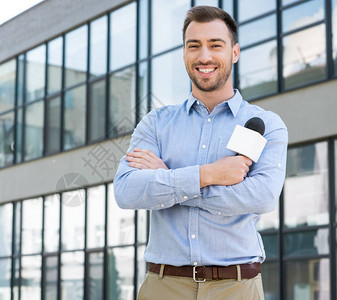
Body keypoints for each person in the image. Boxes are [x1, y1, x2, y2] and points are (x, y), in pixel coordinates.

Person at [113, 5, 288, 300]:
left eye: (215, 45)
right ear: (184, 54)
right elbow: (127, 191)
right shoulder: (156, 123)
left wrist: (168, 178)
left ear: (234, 53)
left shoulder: (265, 124)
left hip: (236, 286)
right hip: (163, 285)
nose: (204, 56)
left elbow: (261, 196)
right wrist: (209, 175)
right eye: (194, 46)